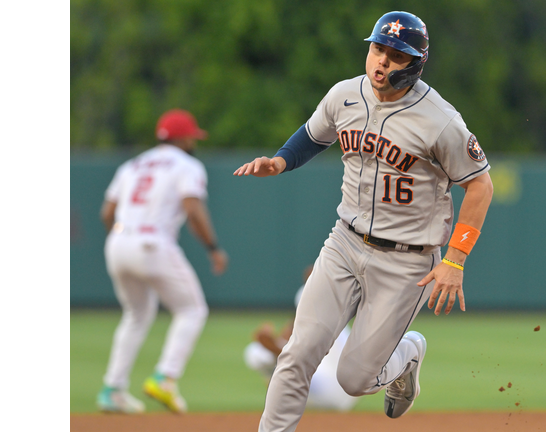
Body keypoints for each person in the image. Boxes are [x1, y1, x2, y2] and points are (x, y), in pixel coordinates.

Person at [234, 11, 493, 432]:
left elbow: (480, 187)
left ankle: (407, 353)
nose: (381, 62)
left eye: (395, 55)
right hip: (344, 241)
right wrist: (279, 162)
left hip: (407, 261)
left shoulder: (441, 120)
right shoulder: (345, 95)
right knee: (297, 353)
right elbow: (314, 134)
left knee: (354, 379)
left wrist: (457, 259)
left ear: (415, 63)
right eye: (377, 49)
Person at [96, 109, 229, 414]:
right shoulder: (187, 165)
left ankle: (112, 389)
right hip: (152, 242)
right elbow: (192, 209)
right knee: (192, 309)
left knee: (136, 314)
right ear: (182, 138)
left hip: (117, 243)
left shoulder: (132, 164)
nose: (193, 142)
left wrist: (122, 240)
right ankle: (165, 377)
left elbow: (106, 213)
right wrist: (213, 248)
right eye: (191, 137)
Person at [244, 266, 358, 412]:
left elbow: (298, 357)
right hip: (338, 388)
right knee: (260, 353)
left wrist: (271, 345)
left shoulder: (323, 317)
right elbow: (291, 333)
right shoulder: (328, 308)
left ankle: (281, 396)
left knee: (257, 354)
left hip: (333, 389)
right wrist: (272, 342)